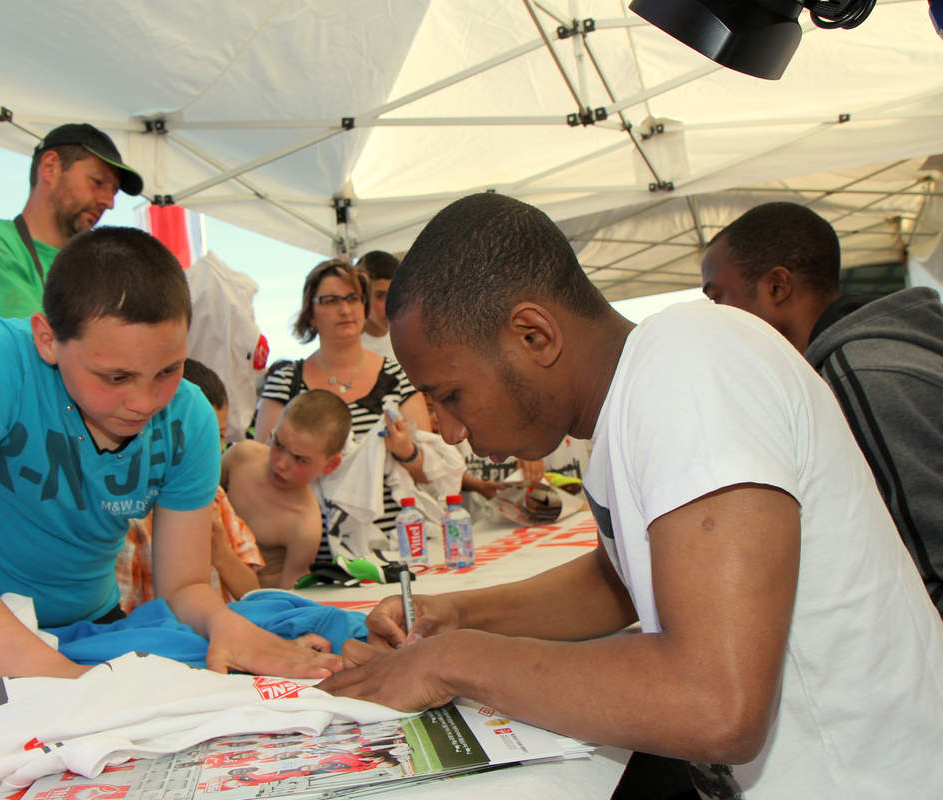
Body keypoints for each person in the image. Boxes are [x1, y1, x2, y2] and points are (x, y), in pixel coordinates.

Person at [318, 193, 943, 798]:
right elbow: (616, 580)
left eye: (450, 396)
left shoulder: (690, 361)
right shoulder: (634, 400)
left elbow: (714, 701)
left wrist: (451, 661)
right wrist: (456, 614)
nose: (451, 431)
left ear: (533, 335)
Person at [0, 226, 341, 691]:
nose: (144, 402)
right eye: (115, 376)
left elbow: (182, 586)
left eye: (168, 370)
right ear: (47, 339)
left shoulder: (190, 419)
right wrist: (64, 679)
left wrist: (224, 625)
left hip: (92, 629)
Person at [701, 201, 943, 615]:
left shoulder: (854, 377)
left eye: (718, 297)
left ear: (777, 287)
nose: (715, 319)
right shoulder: (872, 352)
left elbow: (928, 571)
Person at [255, 260, 433, 563]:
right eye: (330, 300)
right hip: (313, 560)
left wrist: (406, 452)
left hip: (393, 554)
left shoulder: (397, 377)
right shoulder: (286, 381)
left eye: (352, 298)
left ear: (364, 307)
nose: (345, 309)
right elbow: (264, 469)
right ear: (310, 313)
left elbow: (431, 471)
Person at [0, 122, 144, 354]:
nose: (109, 202)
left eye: (114, 191)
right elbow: (16, 355)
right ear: (50, 167)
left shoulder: (100, 272)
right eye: (98, 182)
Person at [116, 358, 266, 610]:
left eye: (219, 436)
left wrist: (220, 552)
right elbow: (124, 609)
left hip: (222, 635)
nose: (213, 448)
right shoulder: (133, 511)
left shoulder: (216, 498)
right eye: (201, 436)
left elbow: (253, 594)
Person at [223, 390, 350, 589]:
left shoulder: (304, 525)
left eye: (300, 459)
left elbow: (286, 599)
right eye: (278, 444)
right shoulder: (242, 456)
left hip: (251, 602)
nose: (281, 463)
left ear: (330, 465)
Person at [356, 250, 399, 363]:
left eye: (395, 294)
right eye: (380, 296)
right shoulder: (349, 348)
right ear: (362, 296)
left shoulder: (408, 340)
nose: (389, 304)